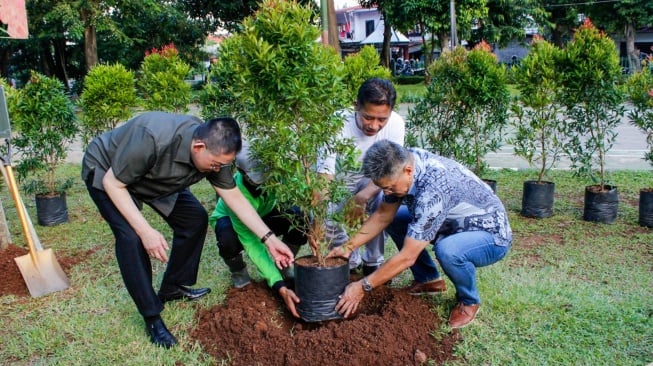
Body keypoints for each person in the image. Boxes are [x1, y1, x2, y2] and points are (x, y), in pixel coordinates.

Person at [81, 112, 294, 348]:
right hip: (108, 171)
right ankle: (152, 317)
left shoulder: (216, 152)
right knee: (131, 238)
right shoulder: (151, 136)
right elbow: (114, 183)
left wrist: (270, 239)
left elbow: (233, 196)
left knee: (194, 219)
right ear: (199, 146)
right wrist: (146, 231)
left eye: (223, 165)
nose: (218, 169)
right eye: (216, 164)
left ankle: (172, 287)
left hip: (155, 179)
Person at [330, 140, 512, 329]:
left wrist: (362, 286)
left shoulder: (434, 191)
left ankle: (469, 301)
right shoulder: (404, 161)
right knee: (398, 217)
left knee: (449, 251)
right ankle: (429, 280)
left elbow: (408, 257)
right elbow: (384, 215)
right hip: (452, 222)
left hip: (489, 235)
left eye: (390, 187)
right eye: (382, 187)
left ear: (408, 171)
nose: (387, 193)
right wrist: (348, 247)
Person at [316, 77, 405, 276]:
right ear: (356, 106)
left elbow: (390, 172)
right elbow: (324, 176)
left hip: (375, 180)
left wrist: (362, 196)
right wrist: (319, 218)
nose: (374, 126)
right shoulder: (337, 121)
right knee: (325, 215)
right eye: (368, 117)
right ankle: (349, 259)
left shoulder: (397, 124)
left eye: (382, 119)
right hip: (340, 179)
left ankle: (373, 261)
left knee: (385, 201)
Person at [209, 140, 306, 317]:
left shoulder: (277, 177)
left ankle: (284, 264)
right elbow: (253, 243)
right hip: (229, 220)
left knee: (299, 216)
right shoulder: (237, 196)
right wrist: (278, 285)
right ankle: (238, 271)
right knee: (227, 237)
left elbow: (302, 189)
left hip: (265, 213)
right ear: (242, 173)